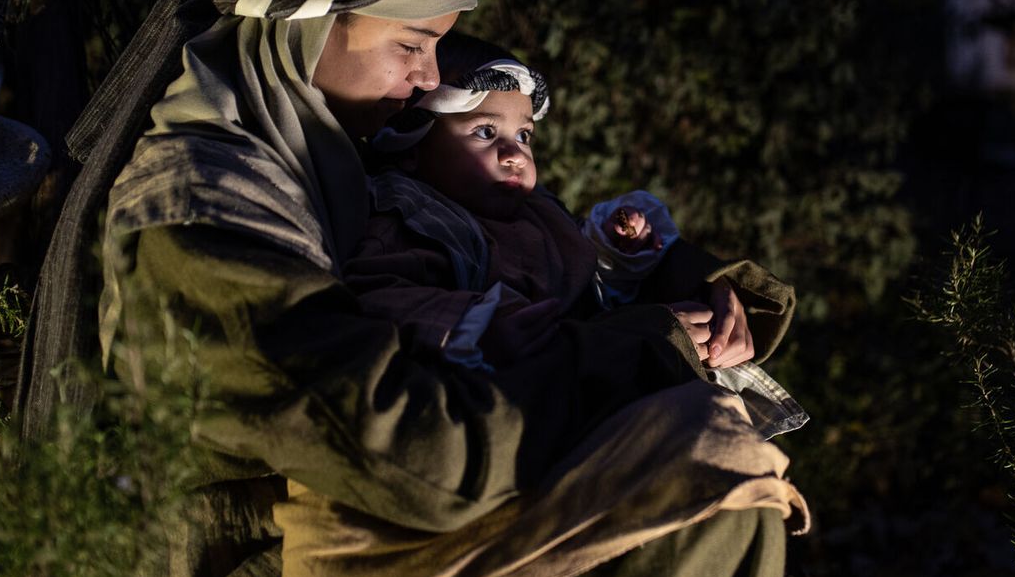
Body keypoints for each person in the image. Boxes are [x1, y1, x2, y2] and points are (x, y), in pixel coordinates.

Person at [93, 0, 805, 577]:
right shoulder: (204, 212)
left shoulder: (325, 143)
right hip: (280, 547)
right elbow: (403, 446)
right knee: (708, 477)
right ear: (309, 23)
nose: (429, 75)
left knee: (713, 468)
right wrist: (630, 355)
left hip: (389, 510)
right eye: (411, 44)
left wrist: (688, 290)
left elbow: (524, 244)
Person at [344, 33, 808, 441]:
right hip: (521, 416)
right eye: (485, 132)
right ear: (409, 148)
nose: (514, 154)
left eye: (524, 135)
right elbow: (376, 295)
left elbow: (590, 291)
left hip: (595, 399)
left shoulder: (538, 213)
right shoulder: (408, 216)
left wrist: (623, 253)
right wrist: (476, 324)